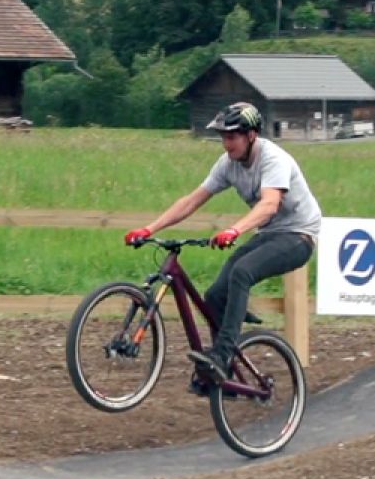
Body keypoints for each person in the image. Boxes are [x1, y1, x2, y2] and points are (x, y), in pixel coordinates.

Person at [123, 102, 321, 383]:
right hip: (267, 235)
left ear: (251, 135)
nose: (226, 145)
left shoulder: (274, 160)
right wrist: (148, 228)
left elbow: (269, 205)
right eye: (223, 138)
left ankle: (222, 355)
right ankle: (223, 379)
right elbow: (192, 200)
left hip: (298, 236)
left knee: (242, 272)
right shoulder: (227, 164)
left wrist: (234, 230)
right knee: (215, 296)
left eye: (231, 137)